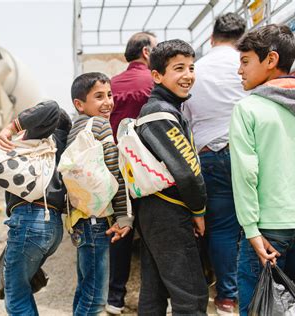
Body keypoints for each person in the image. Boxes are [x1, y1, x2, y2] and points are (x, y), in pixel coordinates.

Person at [229, 24, 295, 316]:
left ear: (271, 60)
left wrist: (250, 228)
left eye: (245, 61)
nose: (240, 71)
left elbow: (246, 173)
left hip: (266, 231)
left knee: (260, 309)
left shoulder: (248, 108)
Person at [135, 39, 208, 315]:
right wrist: (199, 210)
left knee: (154, 294)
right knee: (192, 297)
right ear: (157, 75)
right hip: (169, 212)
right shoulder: (160, 113)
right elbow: (188, 172)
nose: (188, 75)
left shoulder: (163, 109)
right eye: (179, 68)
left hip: (155, 211)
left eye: (191, 67)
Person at [182, 12, 247, 314]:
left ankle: (226, 298)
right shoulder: (246, 65)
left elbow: (188, 119)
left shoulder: (197, 69)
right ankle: (257, 291)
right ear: (242, 38)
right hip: (245, 151)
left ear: (211, 37)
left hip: (207, 154)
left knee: (220, 228)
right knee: (253, 224)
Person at [0, 100, 72, 316]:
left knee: (16, 299)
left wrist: (11, 128)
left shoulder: (39, 140)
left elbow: (52, 107)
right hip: (51, 227)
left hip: (29, 222)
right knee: (23, 292)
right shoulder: (60, 148)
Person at [67, 72, 134, 315]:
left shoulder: (75, 128)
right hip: (97, 222)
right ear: (79, 104)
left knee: (84, 289)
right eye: (99, 97)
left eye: (109, 95)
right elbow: (116, 171)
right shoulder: (99, 124)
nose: (108, 102)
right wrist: (124, 216)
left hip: (81, 220)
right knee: (95, 300)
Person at [106, 31, 157, 315]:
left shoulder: (110, 85)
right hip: (149, 170)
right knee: (151, 233)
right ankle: (152, 300)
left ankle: (115, 298)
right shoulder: (154, 82)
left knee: (120, 232)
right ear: (147, 52)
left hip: (117, 169)